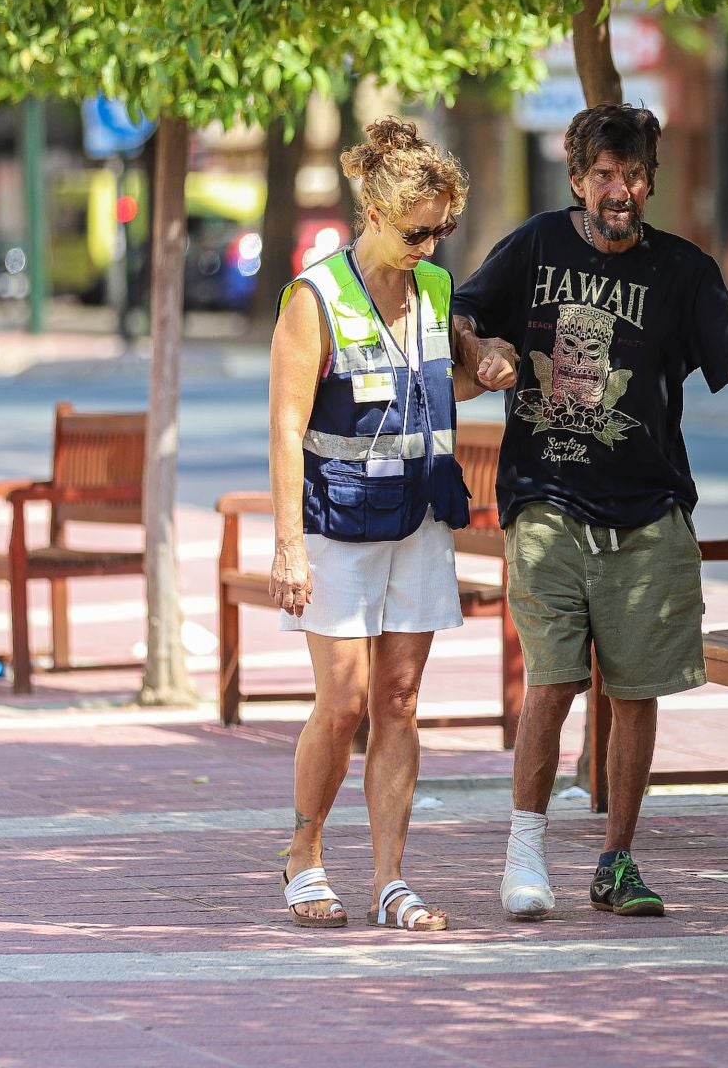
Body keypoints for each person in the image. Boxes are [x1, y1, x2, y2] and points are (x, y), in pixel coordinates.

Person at [450, 103, 728, 920]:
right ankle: (525, 851)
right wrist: (483, 352)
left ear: (650, 178)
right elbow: (463, 312)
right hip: (545, 499)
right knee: (551, 681)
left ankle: (616, 860)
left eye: (635, 174)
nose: (622, 190)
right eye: (606, 175)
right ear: (579, 179)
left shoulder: (683, 270)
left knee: (636, 689)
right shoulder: (536, 244)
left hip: (648, 508)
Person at [268, 117, 492, 932]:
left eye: (442, 231)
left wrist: (485, 360)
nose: (429, 247)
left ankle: (391, 879)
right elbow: (286, 428)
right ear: (372, 212)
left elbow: (435, 383)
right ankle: (305, 853)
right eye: (415, 232)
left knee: (399, 698)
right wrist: (288, 543)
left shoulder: (435, 290)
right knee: (344, 702)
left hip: (419, 516)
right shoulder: (313, 297)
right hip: (337, 520)